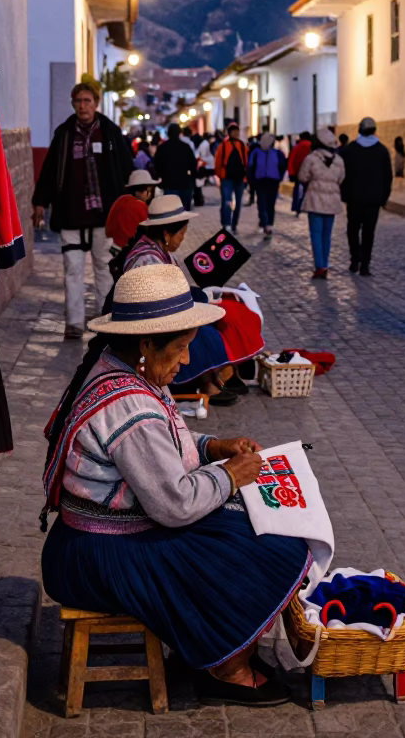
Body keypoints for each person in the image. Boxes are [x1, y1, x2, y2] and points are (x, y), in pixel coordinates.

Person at [41, 263, 307, 707]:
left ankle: (212, 648)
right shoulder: (130, 404)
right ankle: (225, 666)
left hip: (101, 537)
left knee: (253, 527)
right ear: (147, 343)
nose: (187, 360)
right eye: (182, 349)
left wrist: (213, 447)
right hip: (97, 555)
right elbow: (176, 505)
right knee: (267, 547)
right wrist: (229, 475)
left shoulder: (126, 367)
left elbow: (165, 445)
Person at [123, 194, 255, 407]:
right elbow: (155, 303)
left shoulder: (159, 253)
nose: (182, 238)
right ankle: (207, 380)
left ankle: (214, 376)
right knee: (201, 331)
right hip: (150, 325)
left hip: (163, 314)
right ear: (167, 234)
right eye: (181, 234)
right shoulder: (148, 260)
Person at [32, 81, 133, 340]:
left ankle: (104, 319)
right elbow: (50, 169)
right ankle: (74, 322)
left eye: (87, 101)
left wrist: (133, 201)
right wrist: (40, 202)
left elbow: (126, 168)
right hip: (71, 215)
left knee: (104, 267)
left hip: (104, 217)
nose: (83, 106)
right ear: (73, 104)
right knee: (72, 269)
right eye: (78, 101)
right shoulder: (64, 134)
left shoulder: (110, 133)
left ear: (96, 103)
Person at [341, 117, 393, 276]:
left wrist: (344, 195)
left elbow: (343, 175)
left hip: (354, 199)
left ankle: (354, 259)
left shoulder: (350, 150)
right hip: (373, 200)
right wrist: (384, 198)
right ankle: (365, 264)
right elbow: (388, 177)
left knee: (353, 229)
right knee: (369, 232)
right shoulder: (382, 151)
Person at [298, 128, 346, 279]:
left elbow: (303, 177)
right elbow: (341, 179)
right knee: (327, 235)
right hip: (331, 203)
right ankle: (325, 263)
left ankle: (319, 266)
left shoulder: (311, 158)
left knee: (316, 235)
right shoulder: (339, 161)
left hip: (315, 202)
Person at [104, 169, 160, 252]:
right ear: (142, 191)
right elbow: (148, 231)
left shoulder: (121, 199)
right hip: (127, 249)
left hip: (114, 245)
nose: (150, 194)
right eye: (148, 190)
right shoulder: (139, 205)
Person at [247, 133, 287, 238]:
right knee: (262, 204)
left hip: (272, 181)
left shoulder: (277, 153)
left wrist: (279, 178)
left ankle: (268, 224)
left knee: (269, 204)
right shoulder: (256, 153)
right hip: (261, 181)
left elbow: (282, 166)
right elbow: (250, 167)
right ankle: (266, 224)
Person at [152, 123, 196, 211]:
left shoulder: (162, 148)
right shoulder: (185, 147)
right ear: (179, 133)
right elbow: (193, 165)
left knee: (171, 211)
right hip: (184, 182)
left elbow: (157, 165)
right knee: (184, 212)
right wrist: (192, 180)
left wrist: (160, 180)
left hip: (169, 183)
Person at [215, 123, 248, 230]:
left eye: (237, 131)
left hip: (239, 179)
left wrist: (246, 177)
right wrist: (220, 177)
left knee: (238, 203)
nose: (236, 133)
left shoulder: (242, 146)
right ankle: (226, 223)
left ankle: (234, 224)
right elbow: (218, 162)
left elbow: (246, 163)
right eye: (234, 131)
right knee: (227, 201)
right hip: (226, 179)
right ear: (229, 133)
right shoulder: (223, 146)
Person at [287, 131, 313, 215]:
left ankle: (298, 208)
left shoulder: (297, 147)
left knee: (299, 191)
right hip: (312, 173)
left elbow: (291, 160)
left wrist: (291, 173)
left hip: (298, 173)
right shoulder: (312, 147)